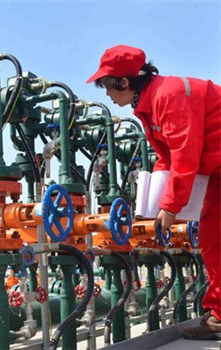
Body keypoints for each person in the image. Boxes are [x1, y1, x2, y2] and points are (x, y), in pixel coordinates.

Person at [87, 45, 221, 340]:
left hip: (213, 167)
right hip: (215, 173)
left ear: (124, 82)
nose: (107, 95)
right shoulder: (148, 105)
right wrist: (149, 208)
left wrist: (171, 207)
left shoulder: (168, 95)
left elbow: (185, 155)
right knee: (213, 240)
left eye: (107, 86)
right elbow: (166, 160)